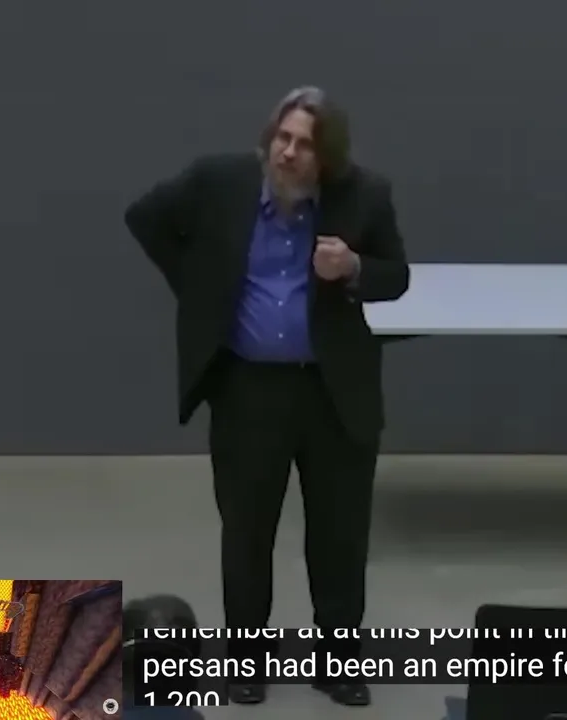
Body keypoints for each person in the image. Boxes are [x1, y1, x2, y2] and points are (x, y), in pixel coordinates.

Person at [123, 86, 410, 708]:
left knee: (339, 537)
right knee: (247, 534)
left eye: (305, 145)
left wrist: (355, 268)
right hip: (248, 390)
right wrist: (198, 284)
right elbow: (144, 216)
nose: (288, 153)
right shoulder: (218, 182)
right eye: (282, 138)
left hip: (333, 392)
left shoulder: (365, 195)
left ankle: (339, 663)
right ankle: (246, 662)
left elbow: (398, 276)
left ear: (327, 160)